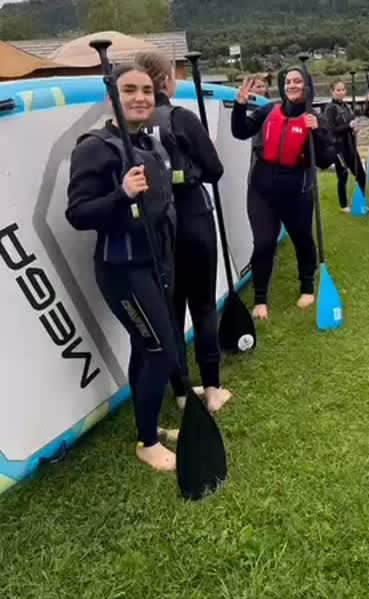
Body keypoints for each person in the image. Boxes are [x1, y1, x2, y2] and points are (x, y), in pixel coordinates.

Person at [66, 64, 179, 473]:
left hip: (155, 265)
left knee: (144, 346)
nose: (140, 98)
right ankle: (147, 443)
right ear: (110, 96)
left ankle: (148, 426)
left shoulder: (146, 145)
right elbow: (78, 213)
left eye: (147, 90)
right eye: (129, 89)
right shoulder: (94, 147)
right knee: (161, 350)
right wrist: (121, 193)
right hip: (122, 270)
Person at [134, 51, 231, 414]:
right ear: (168, 79)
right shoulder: (180, 117)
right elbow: (215, 170)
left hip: (157, 226)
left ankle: (179, 390)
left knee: (171, 309)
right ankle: (212, 390)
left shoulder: (133, 124)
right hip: (192, 217)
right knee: (202, 305)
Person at [231, 66, 334, 320]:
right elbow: (240, 131)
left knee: (302, 238)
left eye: (298, 81)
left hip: (296, 190)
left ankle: (308, 286)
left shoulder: (316, 118)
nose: (292, 85)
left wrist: (318, 132)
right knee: (264, 242)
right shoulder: (268, 111)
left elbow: (324, 160)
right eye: (288, 81)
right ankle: (260, 298)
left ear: (307, 85)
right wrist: (240, 106)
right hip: (261, 190)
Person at [325, 79, 367, 213]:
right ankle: (343, 205)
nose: (341, 92)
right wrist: (348, 126)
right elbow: (332, 129)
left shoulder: (346, 106)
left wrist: (355, 128)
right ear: (332, 92)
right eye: (338, 90)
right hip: (339, 148)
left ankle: (362, 200)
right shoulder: (330, 108)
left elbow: (351, 124)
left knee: (361, 174)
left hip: (350, 145)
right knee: (342, 176)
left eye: (343, 89)